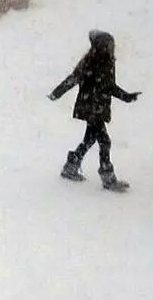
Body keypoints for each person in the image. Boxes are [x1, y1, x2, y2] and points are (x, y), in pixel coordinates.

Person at [49, 30, 140, 192]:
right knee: (105, 141)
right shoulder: (93, 62)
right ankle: (108, 177)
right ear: (100, 46)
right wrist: (57, 93)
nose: (111, 48)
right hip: (92, 107)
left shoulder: (103, 61)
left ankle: (71, 166)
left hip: (95, 107)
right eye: (108, 45)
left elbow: (105, 85)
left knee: (90, 139)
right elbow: (76, 79)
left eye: (112, 45)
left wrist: (126, 97)